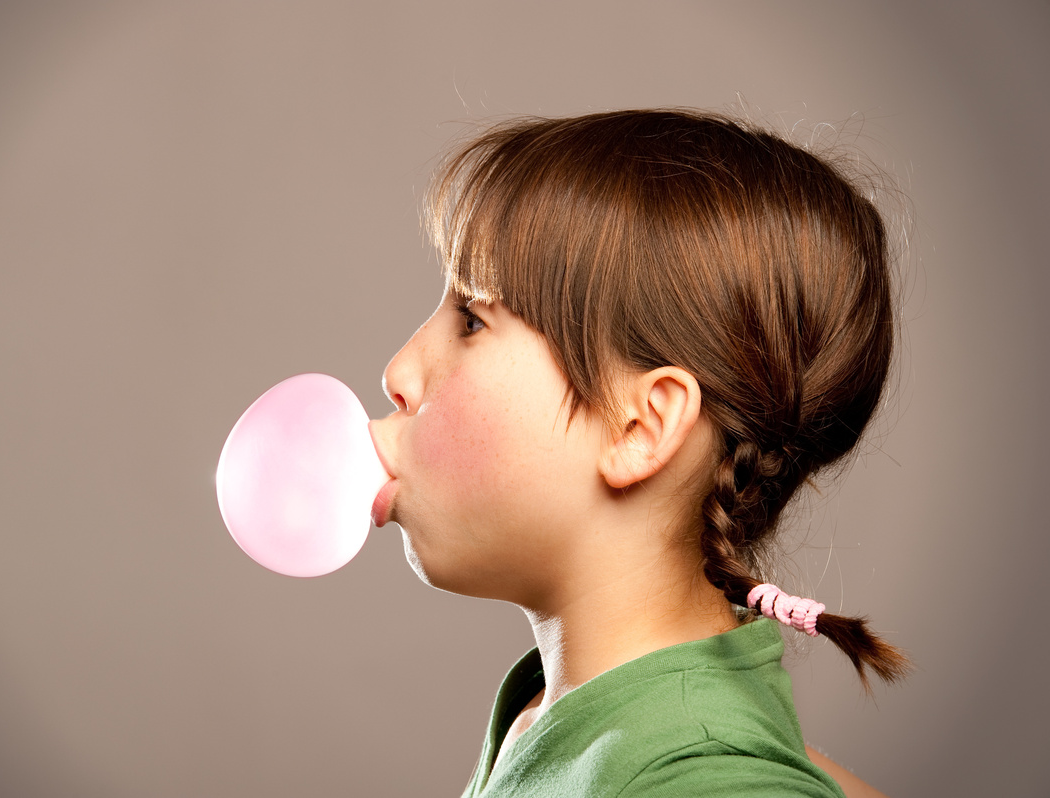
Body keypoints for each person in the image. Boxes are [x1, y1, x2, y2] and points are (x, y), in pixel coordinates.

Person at [368, 109, 909, 797]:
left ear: (640, 428)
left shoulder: (709, 782)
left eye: (472, 320)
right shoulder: (552, 715)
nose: (399, 371)